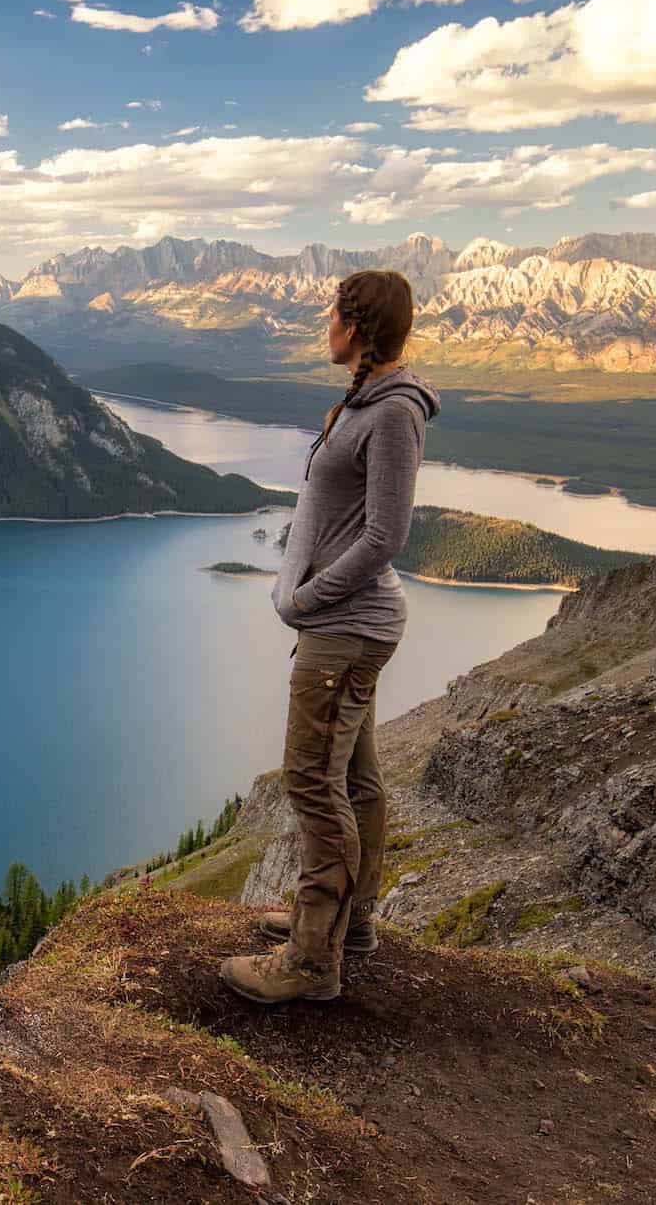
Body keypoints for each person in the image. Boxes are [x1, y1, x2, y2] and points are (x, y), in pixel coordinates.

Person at [220, 269, 440, 1005]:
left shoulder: (393, 414)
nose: (324, 324)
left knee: (312, 781)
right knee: (356, 781)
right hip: (341, 627)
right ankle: (350, 924)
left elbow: (386, 534)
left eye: (333, 314)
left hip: (344, 629)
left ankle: (312, 960)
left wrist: (310, 595)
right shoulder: (362, 403)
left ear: (358, 326)